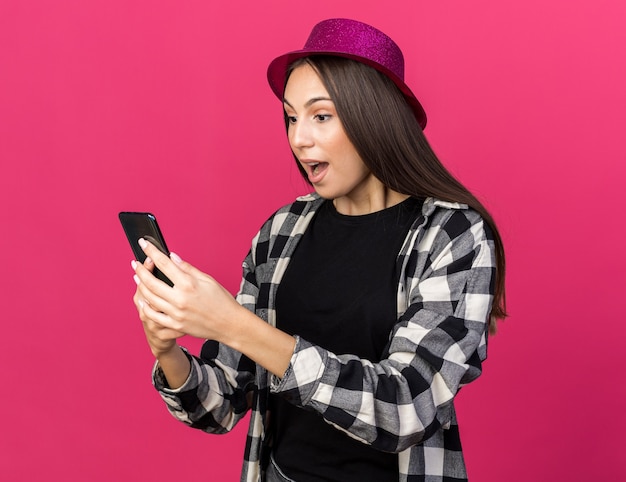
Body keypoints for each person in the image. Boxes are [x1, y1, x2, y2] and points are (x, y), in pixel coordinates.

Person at [131, 18, 507, 482]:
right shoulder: (282, 232)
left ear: (376, 117)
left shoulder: (452, 234)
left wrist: (234, 323)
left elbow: (406, 407)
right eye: (291, 117)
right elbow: (220, 407)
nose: (298, 138)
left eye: (320, 116)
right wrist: (167, 349)